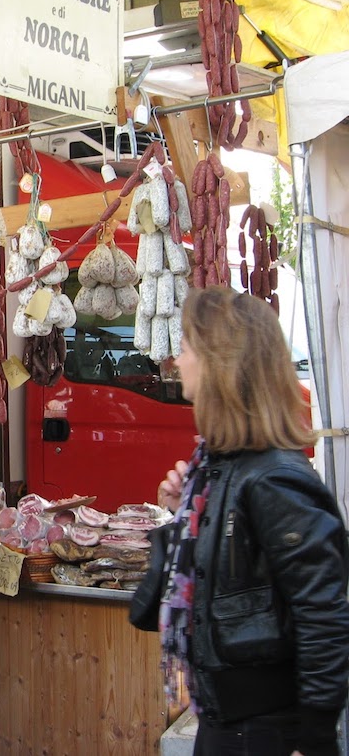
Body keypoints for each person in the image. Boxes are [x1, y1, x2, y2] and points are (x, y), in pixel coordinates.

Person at [148, 288, 349, 756]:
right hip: (224, 723)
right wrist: (180, 515)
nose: (177, 361)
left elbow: (324, 615)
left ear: (221, 361)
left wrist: (314, 738)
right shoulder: (219, 469)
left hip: (265, 735)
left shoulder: (274, 479)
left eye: (186, 347)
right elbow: (199, 586)